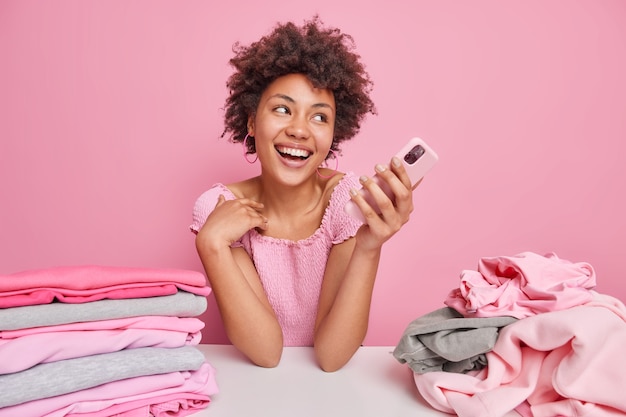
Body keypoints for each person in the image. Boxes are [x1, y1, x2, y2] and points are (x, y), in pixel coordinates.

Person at [190, 16, 417, 372]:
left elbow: (332, 357)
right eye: (282, 109)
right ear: (251, 121)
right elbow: (266, 352)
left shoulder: (347, 201)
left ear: (334, 133)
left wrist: (369, 247)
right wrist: (210, 245)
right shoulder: (220, 210)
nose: (299, 130)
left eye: (319, 117)